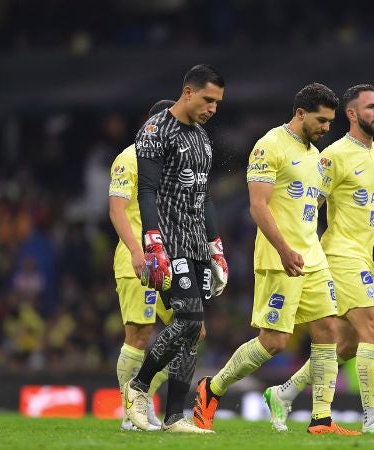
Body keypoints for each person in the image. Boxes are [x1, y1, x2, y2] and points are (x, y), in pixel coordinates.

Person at [192, 83, 359, 435]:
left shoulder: (316, 155)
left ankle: (322, 418)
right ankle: (212, 389)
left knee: (330, 329)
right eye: (321, 120)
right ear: (300, 113)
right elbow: (258, 206)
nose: (326, 128)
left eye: (330, 122)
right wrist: (285, 249)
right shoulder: (269, 146)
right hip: (278, 256)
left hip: (312, 255)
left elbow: (312, 203)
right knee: (274, 342)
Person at [263, 84, 374, 434]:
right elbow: (310, 203)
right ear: (352, 114)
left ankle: (284, 392)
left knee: (348, 344)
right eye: (370, 107)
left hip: (364, 257)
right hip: (339, 254)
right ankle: (373, 418)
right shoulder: (333, 155)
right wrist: (298, 244)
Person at [122, 64, 229, 434]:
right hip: (169, 241)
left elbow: (204, 195)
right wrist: (153, 239)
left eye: (217, 102)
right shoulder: (155, 131)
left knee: (194, 333)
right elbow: (146, 190)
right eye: (207, 99)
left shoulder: (201, 137)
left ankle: (174, 418)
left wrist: (216, 245)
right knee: (189, 319)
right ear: (188, 92)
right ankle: (137, 388)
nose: (212, 108)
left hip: (197, 242)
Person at [110, 99, 198, 431]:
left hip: (171, 259)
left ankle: (141, 394)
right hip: (139, 258)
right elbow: (117, 210)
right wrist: (136, 251)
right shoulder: (129, 158)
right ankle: (129, 414)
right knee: (139, 333)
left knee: (193, 328)